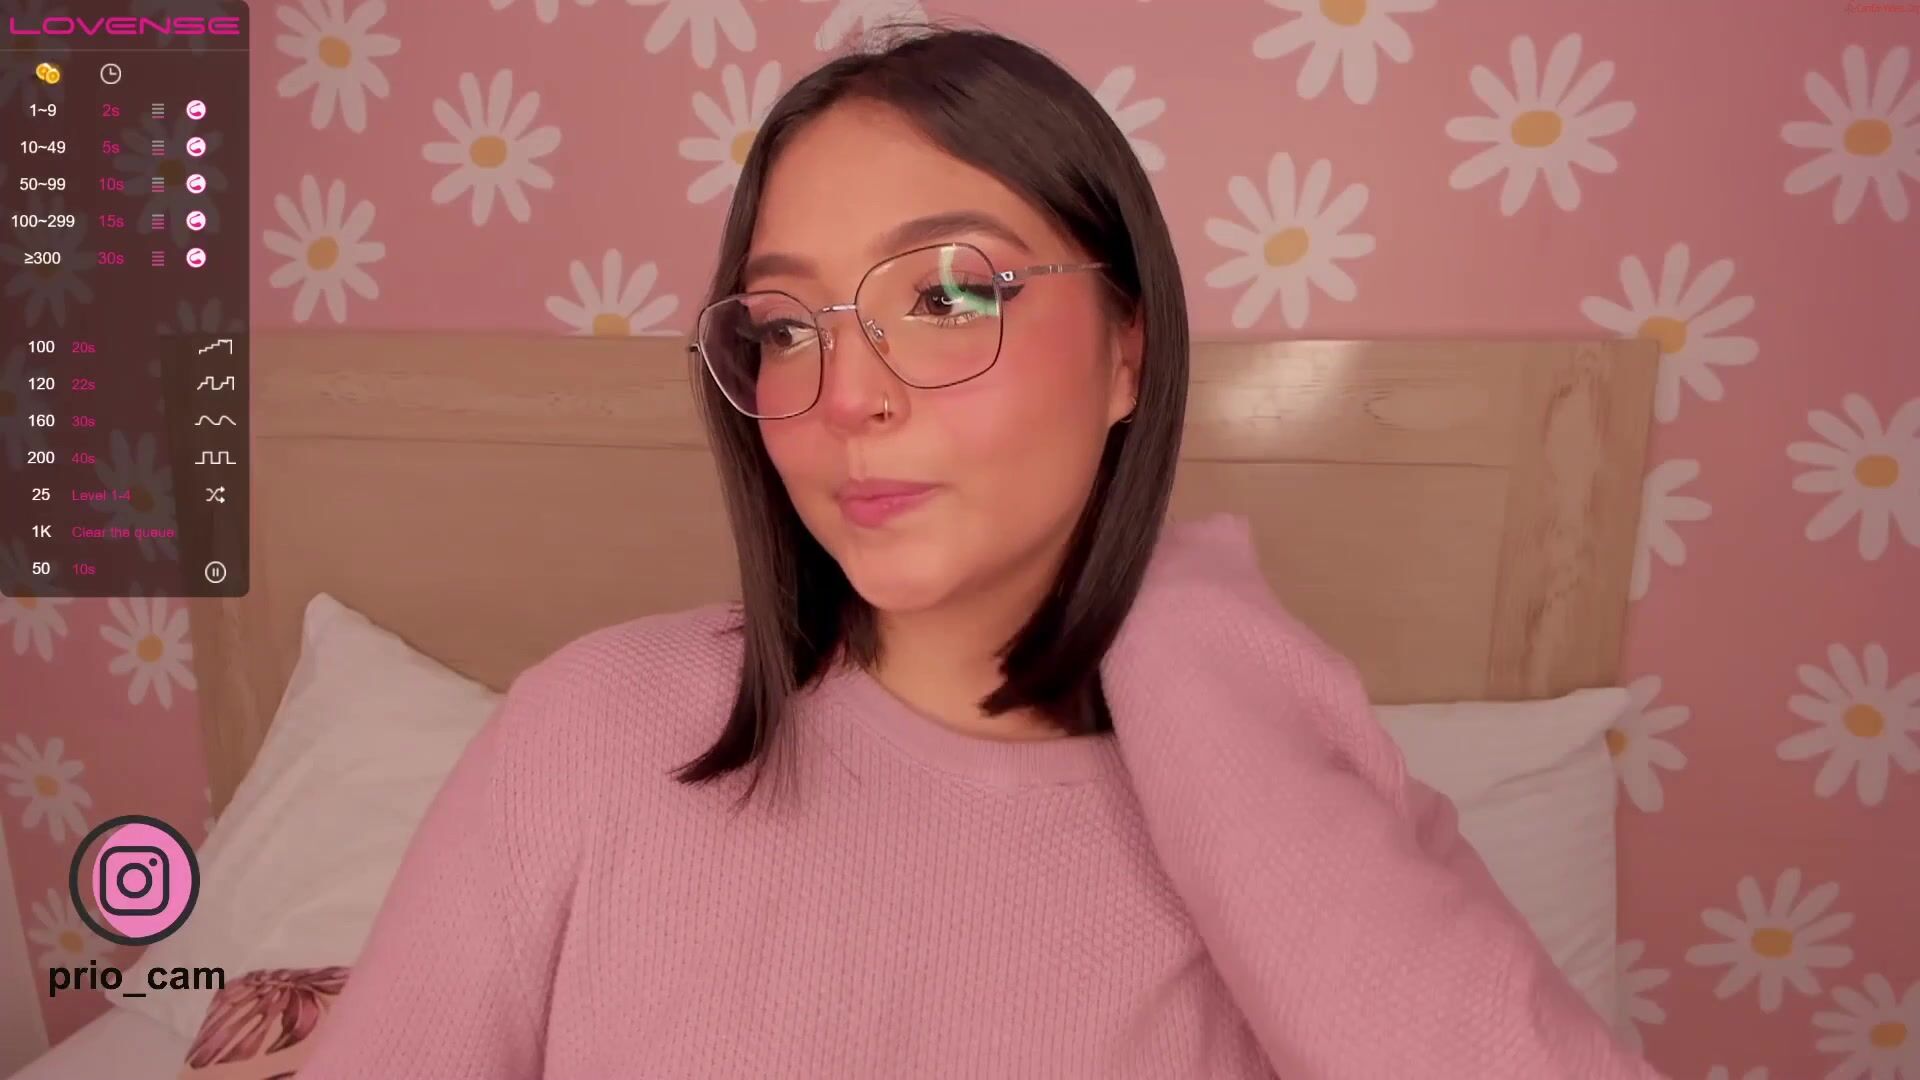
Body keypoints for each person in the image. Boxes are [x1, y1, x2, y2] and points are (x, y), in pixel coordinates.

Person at [298, 26, 1665, 1079]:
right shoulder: (588, 735)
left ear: (1130, 348)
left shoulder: (1266, 772)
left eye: (952, 294)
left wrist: (1189, 640)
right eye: (786, 328)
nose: (846, 396)